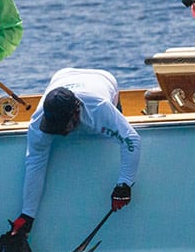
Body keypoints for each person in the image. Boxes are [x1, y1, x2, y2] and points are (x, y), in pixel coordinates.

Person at [10, 68, 140, 236]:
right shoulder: (37, 122)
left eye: (62, 126)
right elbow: (35, 165)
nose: (58, 132)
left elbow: (132, 139)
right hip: (62, 75)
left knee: (119, 128)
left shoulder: (99, 108)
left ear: (76, 112)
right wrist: (27, 215)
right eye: (52, 127)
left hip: (103, 79)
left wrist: (124, 184)